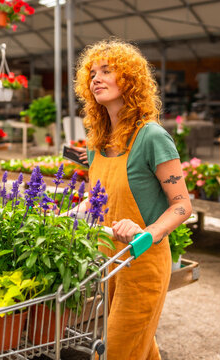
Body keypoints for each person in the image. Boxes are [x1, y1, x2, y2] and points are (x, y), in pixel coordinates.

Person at [73, 39, 192, 359]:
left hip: (144, 262)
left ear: (129, 79)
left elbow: (182, 205)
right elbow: (96, 198)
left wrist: (146, 233)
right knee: (140, 348)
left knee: (116, 350)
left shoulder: (151, 137)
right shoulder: (96, 141)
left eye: (107, 71)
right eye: (92, 73)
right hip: (108, 260)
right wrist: (77, 211)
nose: (96, 78)